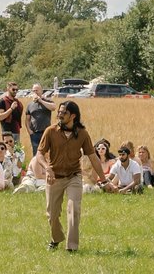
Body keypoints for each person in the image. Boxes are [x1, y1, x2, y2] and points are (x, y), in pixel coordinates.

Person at [39, 99, 108, 251]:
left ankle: (72, 247)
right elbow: (39, 153)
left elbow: (93, 157)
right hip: (54, 177)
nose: (60, 115)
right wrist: (47, 168)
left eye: (64, 113)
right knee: (52, 213)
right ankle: (56, 239)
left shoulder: (82, 134)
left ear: (73, 116)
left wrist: (104, 180)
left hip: (74, 176)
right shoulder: (50, 131)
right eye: (59, 112)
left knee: (73, 208)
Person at [24, 85, 53, 155]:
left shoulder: (47, 101)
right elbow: (27, 119)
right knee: (35, 153)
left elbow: (53, 107)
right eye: (33, 91)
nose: (35, 92)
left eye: (37, 90)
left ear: (41, 91)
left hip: (46, 133)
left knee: (46, 152)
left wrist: (41, 100)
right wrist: (29, 131)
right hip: (34, 133)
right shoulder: (30, 105)